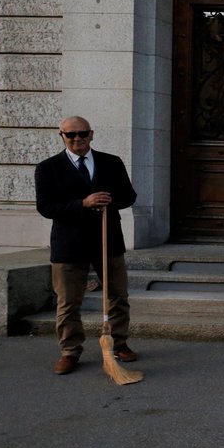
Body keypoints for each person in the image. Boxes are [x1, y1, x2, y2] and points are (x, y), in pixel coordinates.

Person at [34, 116, 139, 375]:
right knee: (68, 301)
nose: (77, 139)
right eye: (71, 135)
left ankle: (119, 343)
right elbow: (46, 207)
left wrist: (109, 199)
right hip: (69, 243)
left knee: (117, 296)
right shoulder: (48, 168)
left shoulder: (111, 162)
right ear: (62, 136)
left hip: (107, 239)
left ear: (91, 134)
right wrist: (83, 203)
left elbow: (129, 196)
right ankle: (70, 352)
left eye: (82, 133)